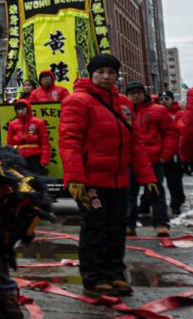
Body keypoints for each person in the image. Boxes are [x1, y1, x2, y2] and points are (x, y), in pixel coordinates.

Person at [59, 55, 157, 296]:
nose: (106, 76)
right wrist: (75, 178)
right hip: (91, 181)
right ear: (91, 74)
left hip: (119, 179)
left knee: (116, 227)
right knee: (94, 228)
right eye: (101, 71)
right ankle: (93, 278)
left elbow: (135, 143)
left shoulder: (124, 103)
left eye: (111, 72)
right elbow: (69, 141)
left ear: (117, 75)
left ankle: (115, 273)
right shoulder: (77, 101)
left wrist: (148, 177)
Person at [125, 81, 177, 237]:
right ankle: (129, 224)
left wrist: (164, 155)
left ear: (144, 93)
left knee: (156, 193)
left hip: (153, 160)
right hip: (130, 161)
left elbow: (171, 133)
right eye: (132, 93)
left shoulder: (158, 111)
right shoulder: (123, 111)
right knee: (128, 194)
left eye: (138, 92)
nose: (136, 95)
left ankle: (161, 224)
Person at [157, 90, 185, 214]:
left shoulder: (179, 114)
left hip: (174, 154)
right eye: (161, 98)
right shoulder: (154, 113)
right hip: (157, 153)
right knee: (155, 181)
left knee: (174, 181)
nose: (163, 101)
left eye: (166, 98)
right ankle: (147, 204)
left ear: (172, 100)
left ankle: (176, 203)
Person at [5, 99, 51, 173]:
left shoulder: (39, 122)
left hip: (35, 157)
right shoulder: (12, 124)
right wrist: (10, 158)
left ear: (28, 108)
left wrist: (45, 159)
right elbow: (9, 143)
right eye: (18, 109)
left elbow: (45, 142)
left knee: (37, 180)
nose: (21, 111)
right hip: (18, 157)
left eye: (23, 108)